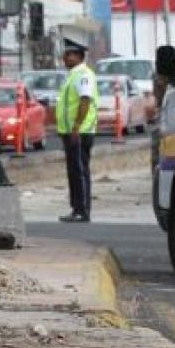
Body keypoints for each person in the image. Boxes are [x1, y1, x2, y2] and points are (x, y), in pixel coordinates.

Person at [55, 43, 98, 223]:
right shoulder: (72, 75)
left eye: (69, 55)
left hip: (79, 132)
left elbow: (85, 100)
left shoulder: (83, 75)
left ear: (79, 57)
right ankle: (76, 208)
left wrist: (76, 127)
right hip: (70, 131)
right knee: (74, 171)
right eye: (65, 55)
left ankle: (82, 210)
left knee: (79, 171)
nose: (65, 59)